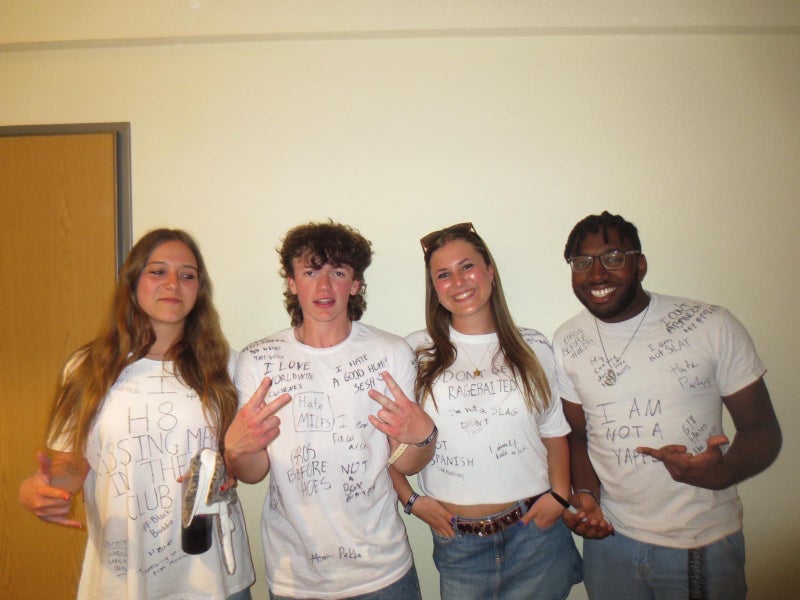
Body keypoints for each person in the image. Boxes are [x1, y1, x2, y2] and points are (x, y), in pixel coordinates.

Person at [553, 211, 782, 599]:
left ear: (640, 264)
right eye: (582, 262)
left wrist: (723, 473)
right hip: (610, 543)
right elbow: (578, 437)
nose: (596, 273)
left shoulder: (711, 325)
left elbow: (762, 430)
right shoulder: (567, 339)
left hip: (698, 541)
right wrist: (587, 497)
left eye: (613, 257)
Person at [18, 228, 255, 599]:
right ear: (132, 282)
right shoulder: (87, 367)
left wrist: (230, 466)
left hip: (215, 576)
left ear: (199, 289)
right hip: (123, 578)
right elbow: (72, 463)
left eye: (187, 275)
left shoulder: (229, 367)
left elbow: (243, 462)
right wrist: (47, 487)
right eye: (157, 271)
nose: (173, 283)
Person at [224, 220, 436, 600]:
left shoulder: (390, 352)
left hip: (383, 569)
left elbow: (405, 464)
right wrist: (236, 449)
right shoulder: (257, 360)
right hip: (295, 575)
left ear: (355, 284)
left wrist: (424, 437)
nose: (324, 287)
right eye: (310, 272)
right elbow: (253, 473)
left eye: (337, 272)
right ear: (292, 282)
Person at [391, 222, 582, 600]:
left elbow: (553, 428)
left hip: (536, 533)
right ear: (434, 287)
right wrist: (409, 500)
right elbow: (385, 442)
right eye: (443, 274)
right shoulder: (414, 351)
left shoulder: (533, 345)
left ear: (490, 271)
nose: (458, 282)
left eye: (467, 267)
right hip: (458, 542)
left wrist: (561, 495)